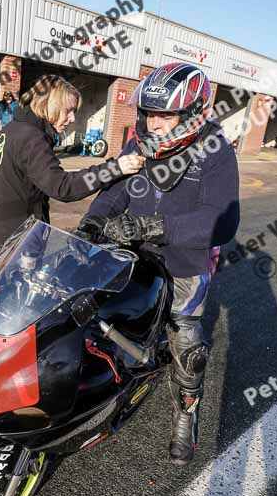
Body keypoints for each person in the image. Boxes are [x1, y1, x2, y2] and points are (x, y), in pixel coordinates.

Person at [75, 62, 240, 466]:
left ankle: (186, 413)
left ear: (191, 114)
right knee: (89, 308)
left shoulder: (216, 149)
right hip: (132, 249)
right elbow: (116, 191)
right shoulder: (141, 142)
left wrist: (154, 225)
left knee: (187, 340)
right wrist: (92, 223)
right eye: (149, 113)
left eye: (164, 114)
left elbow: (223, 220)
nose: (153, 122)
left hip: (184, 260)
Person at [0, 74, 144, 254]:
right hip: (17, 242)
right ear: (52, 106)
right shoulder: (31, 138)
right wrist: (116, 168)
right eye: (68, 110)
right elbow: (62, 187)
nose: (73, 118)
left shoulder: (11, 129)